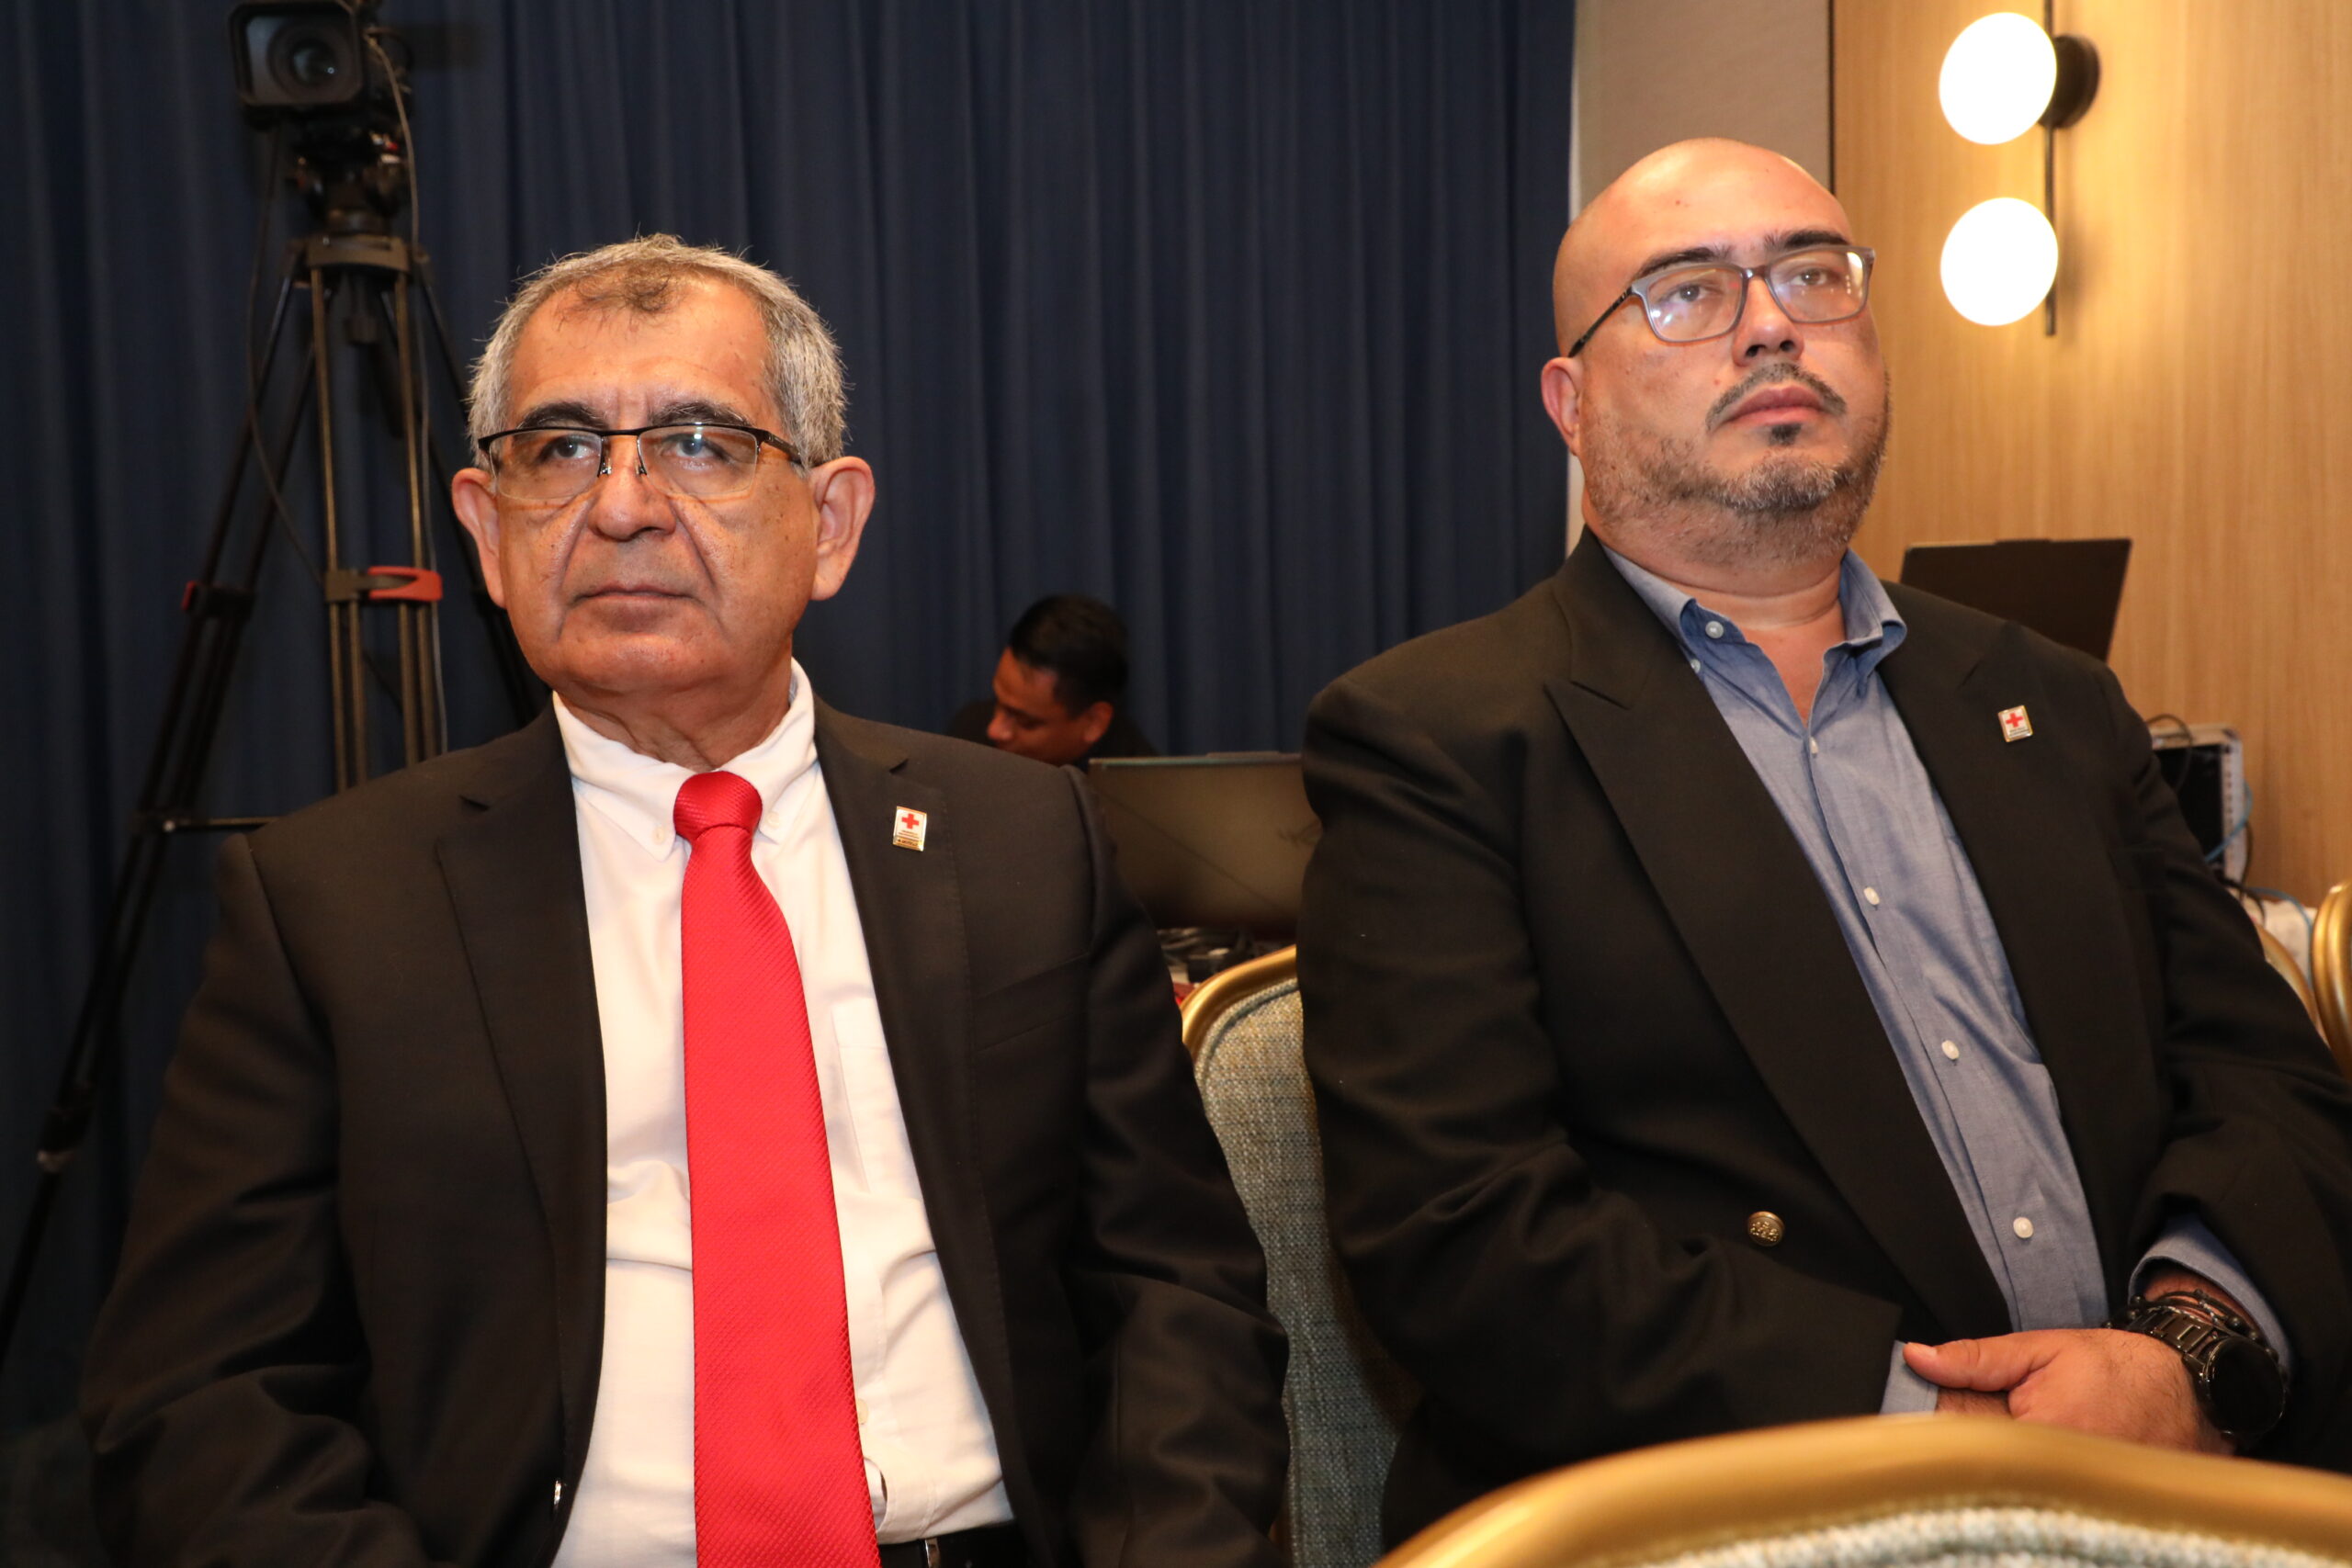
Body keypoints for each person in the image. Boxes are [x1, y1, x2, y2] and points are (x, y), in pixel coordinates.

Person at [81, 237, 1286, 1568]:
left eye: (701, 443)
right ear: (486, 530)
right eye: (560, 449)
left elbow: (1177, 1291)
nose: (622, 506)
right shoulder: (332, 904)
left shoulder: (1025, 841)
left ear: (830, 524)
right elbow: (202, 1398)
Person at [1297, 139, 2352, 1542]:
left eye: (1813, 273)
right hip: (1740, 1510)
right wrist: (1957, 1437)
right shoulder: (1436, 736)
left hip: (2184, 1471)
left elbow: (2266, 1080)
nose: (1771, 323)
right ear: (1572, 401)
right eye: (1687, 290)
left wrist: (2189, 1353)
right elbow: (1464, 1231)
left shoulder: (2049, 696)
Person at [949, 594, 1159, 767]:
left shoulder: (1139, 793)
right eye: (998, 701)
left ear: (1093, 722)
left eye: (1025, 722)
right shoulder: (968, 737)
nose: (994, 730)